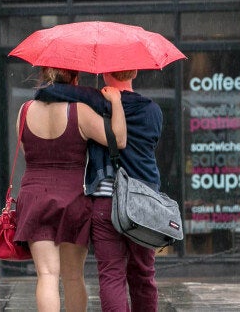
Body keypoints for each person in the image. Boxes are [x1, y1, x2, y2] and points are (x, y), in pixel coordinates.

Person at [34, 70, 163, 311]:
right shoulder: (152, 110)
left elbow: (50, 91)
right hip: (145, 202)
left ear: (104, 72)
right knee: (144, 275)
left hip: (106, 200)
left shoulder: (95, 102)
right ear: (135, 71)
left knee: (111, 274)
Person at [13, 67, 126, 312]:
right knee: (73, 276)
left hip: (34, 197)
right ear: (75, 79)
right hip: (73, 198)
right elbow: (118, 140)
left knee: (46, 275)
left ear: (43, 76)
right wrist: (116, 103)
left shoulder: (24, 111)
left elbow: (27, 152)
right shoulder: (80, 111)